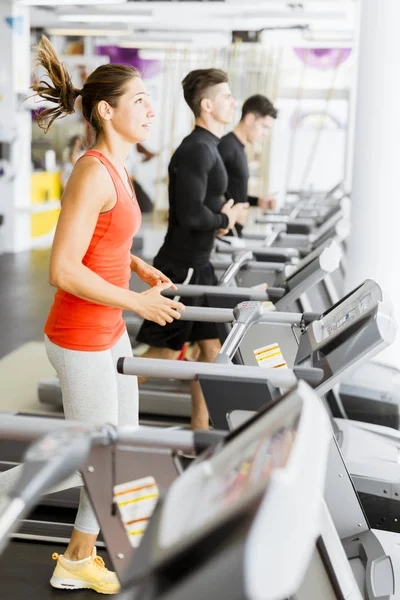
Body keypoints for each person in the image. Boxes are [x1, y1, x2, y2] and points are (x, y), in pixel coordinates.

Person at [0, 36, 184, 595]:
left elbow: (102, 237)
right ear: (108, 110)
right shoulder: (93, 170)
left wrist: (139, 267)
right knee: (87, 454)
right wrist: (137, 302)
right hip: (81, 335)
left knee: (117, 448)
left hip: (108, 333)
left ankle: (78, 558)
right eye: (141, 100)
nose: (151, 110)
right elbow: (63, 268)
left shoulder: (118, 168)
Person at [136, 68, 248, 430]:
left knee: (212, 352)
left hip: (200, 267)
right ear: (207, 105)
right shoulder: (197, 149)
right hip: (181, 268)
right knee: (166, 353)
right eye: (227, 96)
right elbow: (189, 212)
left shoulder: (210, 147)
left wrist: (222, 218)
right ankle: (103, 409)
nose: (233, 102)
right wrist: (222, 221)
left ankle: (201, 435)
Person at [218, 94, 278, 236]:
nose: (265, 133)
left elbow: (233, 194)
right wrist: (225, 218)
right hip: (223, 232)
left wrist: (258, 201)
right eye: (264, 127)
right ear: (250, 118)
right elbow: (210, 192)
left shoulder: (239, 148)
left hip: (234, 231)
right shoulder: (226, 146)